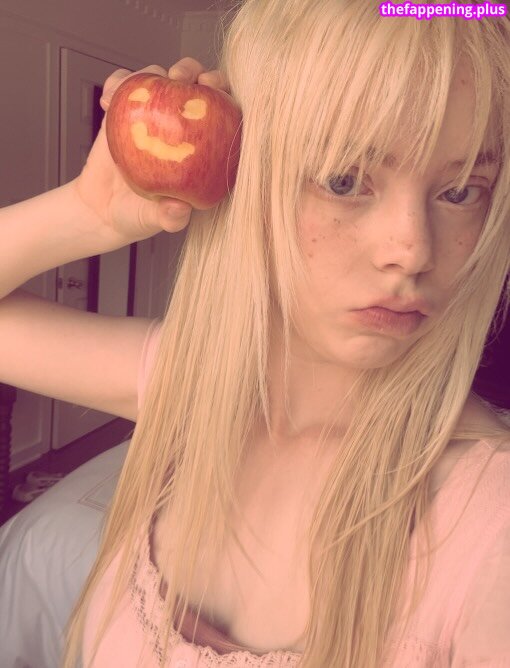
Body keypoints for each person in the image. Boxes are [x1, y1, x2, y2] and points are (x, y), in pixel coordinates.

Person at [1, 0, 510, 666]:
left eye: (462, 190)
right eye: (344, 179)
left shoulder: (489, 517)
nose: (412, 251)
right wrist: (88, 214)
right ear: (248, 181)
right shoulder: (190, 384)